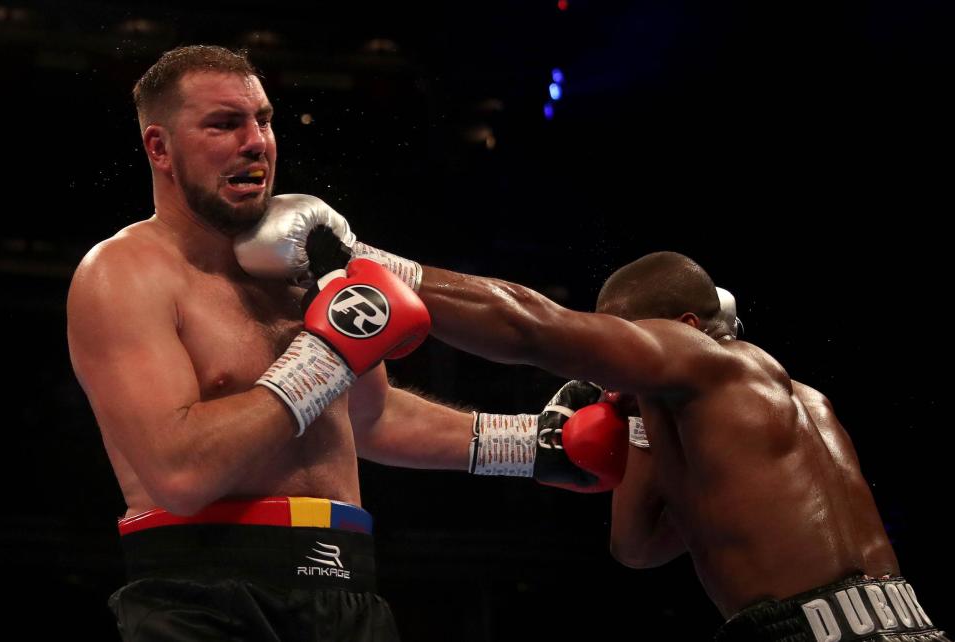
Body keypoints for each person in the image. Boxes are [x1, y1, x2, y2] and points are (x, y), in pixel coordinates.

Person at [66, 45, 626, 641]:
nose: (256, 141)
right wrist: (327, 356)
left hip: (344, 586)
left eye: (264, 119)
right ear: (159, 148)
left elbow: (369, 417)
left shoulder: (297, 266)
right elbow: (181, 474)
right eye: (224, 124)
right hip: (202, 598)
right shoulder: (123, 274)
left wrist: (530, 445)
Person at [278, 209, 946, 640]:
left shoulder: (702, 361)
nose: (606, 372)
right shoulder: (797, 403)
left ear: (681, 330)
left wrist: (360, 259)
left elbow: (530, 328)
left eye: (620, 345)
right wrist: (632, 421)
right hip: (903, 619)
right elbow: (637, 547)